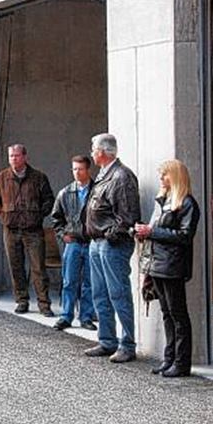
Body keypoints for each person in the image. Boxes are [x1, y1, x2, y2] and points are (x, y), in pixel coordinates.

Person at [136, 159, 200, 377]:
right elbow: (157, 230)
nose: (161, 178)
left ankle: (182, 363)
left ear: (176, 176)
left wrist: (151, 232)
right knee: (167, 314)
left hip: (173, 265)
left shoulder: (187, 203)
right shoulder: (164, 201)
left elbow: (184, 236)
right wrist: (142, 231)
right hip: (158, 264)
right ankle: (169, 357)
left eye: (165, 174)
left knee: (178, 315)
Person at [83, 133, 141, 363]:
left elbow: (127, 216)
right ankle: (107, 340)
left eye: (94, 149)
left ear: (104, 152)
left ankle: (127, 344)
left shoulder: (121, 176)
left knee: (118, 293)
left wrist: (109, 235)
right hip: (97, 243)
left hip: (111, 244)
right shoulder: (105, 175)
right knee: (100, 293)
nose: (92, 153)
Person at [0, 144, 55, 316]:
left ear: (25, 157)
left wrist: (39, 216)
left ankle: (44, 304)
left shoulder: (38, 177)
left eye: (17, 156)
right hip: (11, 230)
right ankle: (22, 300)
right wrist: (3, 217)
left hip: (33, 230)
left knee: (38, 267)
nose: (13, 159)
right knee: (16, 266)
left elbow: (49, 200)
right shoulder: (2, 178)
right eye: (11, 156)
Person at [50, 155, 98, 331]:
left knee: (89, 282)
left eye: (80, 169)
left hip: (91, 242)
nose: (77, 173)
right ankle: (66, 315)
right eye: (74, 169)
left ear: (88, 170)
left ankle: (86, 316)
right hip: (73, 242)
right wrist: (63, 235)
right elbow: (56, 218)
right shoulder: (66, 192)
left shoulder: (97, 190)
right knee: (69, 280)